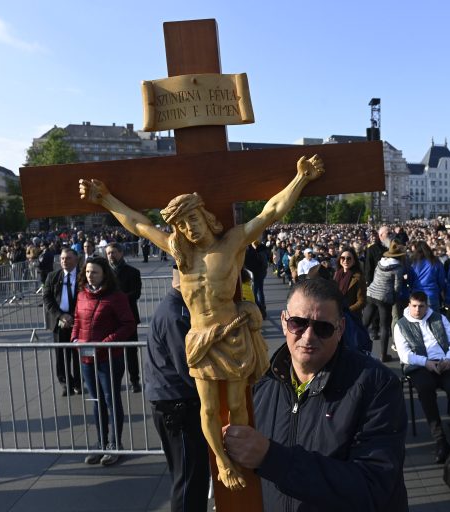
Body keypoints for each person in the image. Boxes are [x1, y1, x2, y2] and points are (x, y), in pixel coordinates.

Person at [80, 154, 323, 490]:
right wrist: (104, 198)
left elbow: (270, 212)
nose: (189, 228)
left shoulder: (233, 242)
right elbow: (138, 224)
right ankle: (223, 464)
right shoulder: (182, 254)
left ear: (206, 217)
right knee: (208, 409)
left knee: (238, 404)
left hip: (233, 336)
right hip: (200, 339)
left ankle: (241, 455)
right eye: (181, 225)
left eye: (193, 219)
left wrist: (301, 179)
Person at [223, 278, 408, 511]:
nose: (308, 337)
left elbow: (373, 485)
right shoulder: (259, 382)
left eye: (323, 328)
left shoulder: (377, 385)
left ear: (340, 329)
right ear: (283, 322)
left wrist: (272, 458)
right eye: (298, 324)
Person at [145, 266, 209, 512]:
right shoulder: (176, 314)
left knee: (188, 476)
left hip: (175, 403)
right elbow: (189, 367)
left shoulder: (176, 309)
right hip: (178, 406)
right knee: (189, 481)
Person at [72, 256, 136, 465]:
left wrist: (107, 342)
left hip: (109, 358)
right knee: (96, 401)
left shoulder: (116, 297)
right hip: (87, 358)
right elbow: (77, 320)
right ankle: (101, 443)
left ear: (104, 274)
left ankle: (115, 444)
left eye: (95, 272)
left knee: (111, 400)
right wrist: (74, 338)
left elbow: (128, 324)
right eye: (88, 272)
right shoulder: (82, 295)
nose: (90, 275)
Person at [395, 291, 450, 464]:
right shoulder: (400, 325)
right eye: (414, 306)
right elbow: (405, 354)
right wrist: (426, 362)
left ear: (427, 306)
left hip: (445, 361)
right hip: (420, 365)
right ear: (408, 305)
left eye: (421, 306)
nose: (417, 310)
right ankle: (440, 440)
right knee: (425, 390)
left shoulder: (439, 318)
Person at [42, 247, 81, 397]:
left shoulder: (83, 276)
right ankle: (65, 383)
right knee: (61, 356)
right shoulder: (52, 276)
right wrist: (61, 316)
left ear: (76, 260)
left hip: (78, 321)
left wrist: (72, 316)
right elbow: (47, 298)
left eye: (68, 258)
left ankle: (78, 382)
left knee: (78, 354)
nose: (65, 261)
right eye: (63, 258)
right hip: (59, 323)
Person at [105, 242, 143, 393]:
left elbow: (136, 294)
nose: (111, 256)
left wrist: (117, 301)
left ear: (121, 253)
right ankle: (115, 380)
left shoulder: (133, 272)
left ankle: (135, 380)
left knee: (131, 351)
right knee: (112, 351)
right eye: (108, 253)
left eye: (113, 252)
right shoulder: (104, 272)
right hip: (109, 318)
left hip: (129, 318)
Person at [364, 240, 406, 362]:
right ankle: (383, 355)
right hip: (384, 297)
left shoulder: (380, 263)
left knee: (365, 322)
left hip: (372, 293)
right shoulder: (398, 267)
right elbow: (397, 286)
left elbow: (375, 276)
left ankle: (354, 346)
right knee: (384, 326)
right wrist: (394, 298)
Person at [409, 240, 446, 311]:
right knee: (434, 319)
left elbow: (410, 280)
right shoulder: (435, 262)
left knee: (418, 320)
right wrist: (440, 290)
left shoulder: (414, 263)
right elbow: (441, 279)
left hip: (417, 295)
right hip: (432, 294)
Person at [333, 247, 366, 319]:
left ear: (354, 261)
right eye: (343, 258)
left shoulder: (358, 277)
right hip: (335, 314)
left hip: (350, 316)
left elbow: (362, 301)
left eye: (349, 258)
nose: (345, 260)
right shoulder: (336, 274)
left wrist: (347, 311)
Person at [244, 238, 270, 318]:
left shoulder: (260, 248)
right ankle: (261, 308)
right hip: (253, 273)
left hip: (257, 273)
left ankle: (261, 309)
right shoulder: (248, 247)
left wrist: (256, 249)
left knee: (256, 292)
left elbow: (263, 261)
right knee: (257, 291)